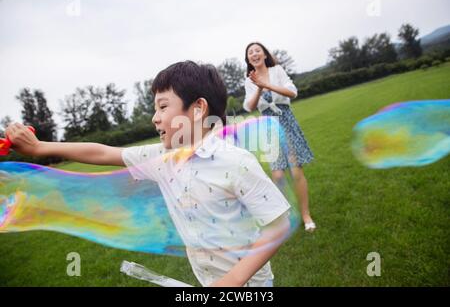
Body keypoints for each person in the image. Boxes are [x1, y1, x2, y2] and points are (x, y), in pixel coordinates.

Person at [6, 61, 293, 287]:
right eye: (154, 108)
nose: (155, 117)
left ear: (197, 109)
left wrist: (233, 280)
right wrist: (40, 147)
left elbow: (277, 225)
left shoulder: (235, 161)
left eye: (163, 106)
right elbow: (104, 153)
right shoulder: (161, 159)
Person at [243, 42, 316, 232]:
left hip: (286, 121)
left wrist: (267, 84)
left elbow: (292, 92)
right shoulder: (249, 81)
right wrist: (258, 87)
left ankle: (306, 214)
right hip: (269, 126)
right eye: (250, 52)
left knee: (296, 171)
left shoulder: (277, 71)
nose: (254, 54)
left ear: (264, 55)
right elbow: (249, 107)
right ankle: (286, 216)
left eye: (257, 50)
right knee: (277, 174)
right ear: (249, 59)